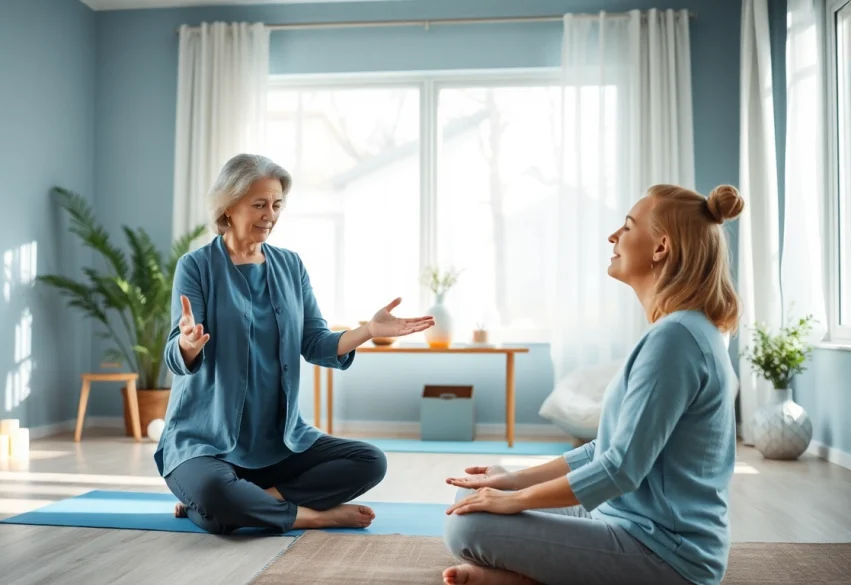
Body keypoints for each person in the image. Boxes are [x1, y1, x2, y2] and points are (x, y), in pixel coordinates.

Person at [441, 184, 745, 585]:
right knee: (471, 500)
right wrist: (512, 480)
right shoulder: (675, 330)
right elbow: (606, 449)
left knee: (468, 529)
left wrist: (514, 501)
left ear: (660, 248)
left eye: (628, 227)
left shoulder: (677, 340)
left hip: (667, 555)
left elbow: (619, 470)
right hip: (622, 518)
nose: (613, 237)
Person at [155, 153, 435, 535]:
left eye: (276, 204)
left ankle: (245, 503)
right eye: (259, 204)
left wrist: (368, 330)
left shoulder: (290, 266)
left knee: (370, 461)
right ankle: (307, 515)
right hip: (206, 443)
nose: (270, 214)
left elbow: (316, 342)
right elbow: (176, 353)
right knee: (213, 489)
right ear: (229, 205)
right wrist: (188, 343)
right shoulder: (196, 266)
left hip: (279, 444)